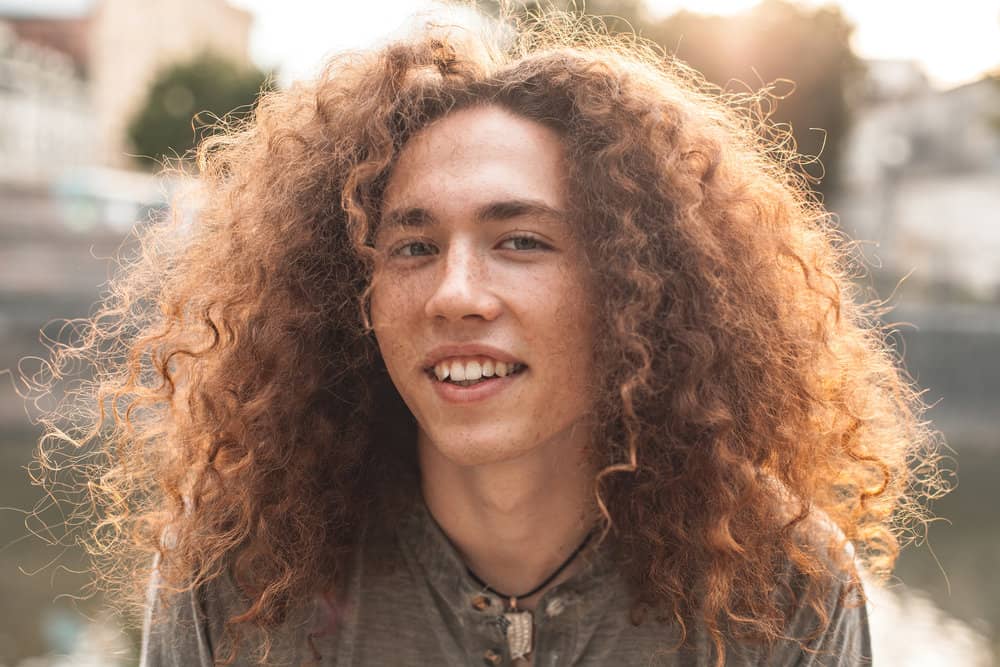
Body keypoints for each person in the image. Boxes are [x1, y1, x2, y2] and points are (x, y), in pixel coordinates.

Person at [31, 5, 941, 667]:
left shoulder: (778, 588)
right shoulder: (237, 572)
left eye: (522, 241)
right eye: (414, 246)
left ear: (634, 289)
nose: (456, 294)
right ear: (354, 290)